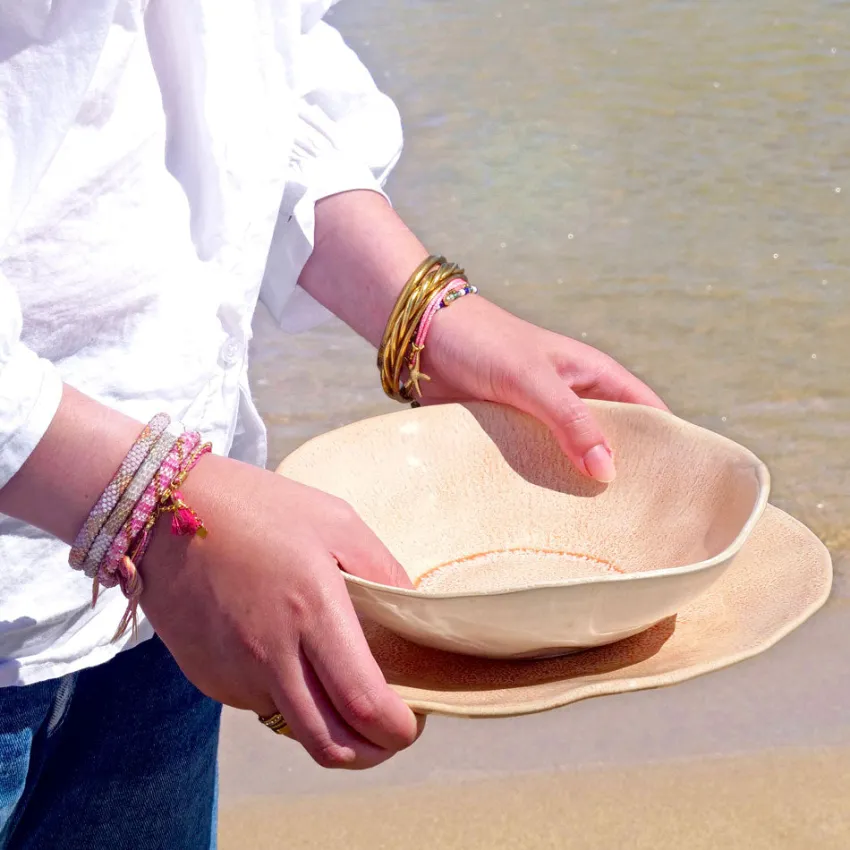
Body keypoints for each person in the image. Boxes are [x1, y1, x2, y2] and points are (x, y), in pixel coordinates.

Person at [0, 1, 666, 847]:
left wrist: (424, 313)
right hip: (165, 536)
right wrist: (143, 504)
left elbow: (249, 51)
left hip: (168, 602)